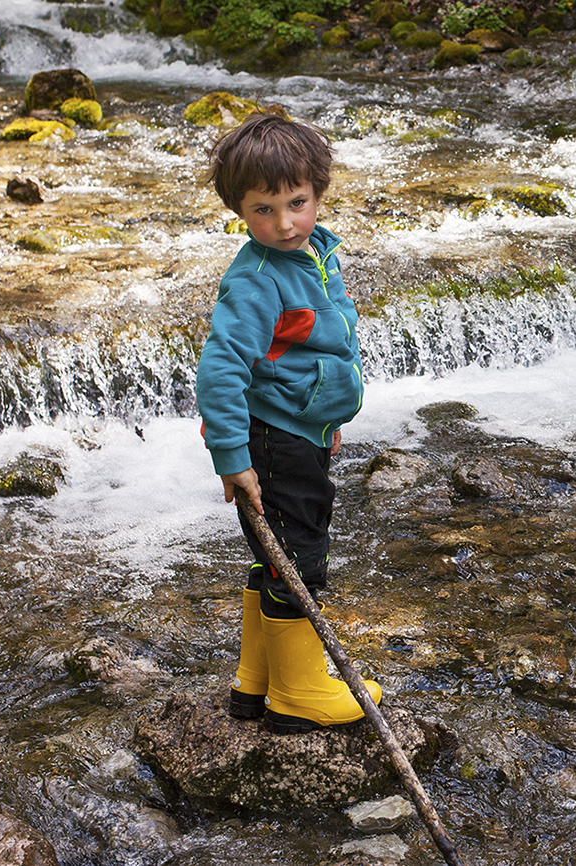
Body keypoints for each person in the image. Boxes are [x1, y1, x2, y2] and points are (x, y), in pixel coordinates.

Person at [196, 112, 380, 734]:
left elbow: (323, 344)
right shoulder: (256, 280)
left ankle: (257, 682)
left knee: (274, 555)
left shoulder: (318, 251)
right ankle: (298, 692)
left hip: (303, 431)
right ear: (239, 211)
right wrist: (233, 456)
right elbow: (220, 371)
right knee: (300, 557)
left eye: (297, 203)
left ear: (318, 195)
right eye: (262, 210)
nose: (283, 223)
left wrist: (328, 410)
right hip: (273, 440)